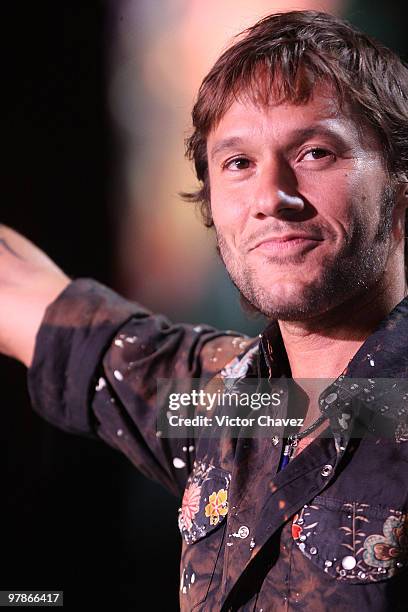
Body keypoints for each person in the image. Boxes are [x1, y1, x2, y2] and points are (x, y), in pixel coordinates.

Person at [1, 9, 408, 611]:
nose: (272, 196)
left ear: (400, 181)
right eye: (238, 163)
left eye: (316, 152)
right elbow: (20, 293)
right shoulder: (239, 404)